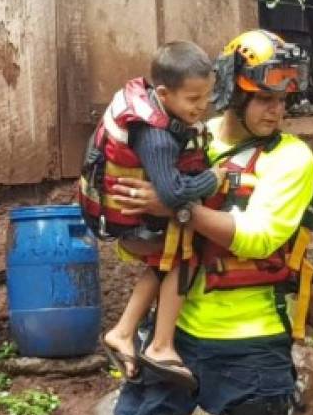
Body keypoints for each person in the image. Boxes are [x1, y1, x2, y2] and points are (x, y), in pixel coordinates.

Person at [108, 30, 313, 415]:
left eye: (284, 100)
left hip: (254, 339)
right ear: (234, 94)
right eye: (264, 98)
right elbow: (140, 231)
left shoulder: (294, 160)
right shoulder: (191, 134)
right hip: (181, 329)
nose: (276, 110)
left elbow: (258, 237)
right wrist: (133, 216)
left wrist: (176, 207)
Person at [77, 41, 225, 391]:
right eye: (193, 100)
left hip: (128, 220)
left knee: (164, 259)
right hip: (133, 226)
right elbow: (172, 193)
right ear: (163, 92)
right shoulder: (156, 137)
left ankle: (123, 332)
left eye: (207, 97)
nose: (202, 107)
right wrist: (211, 179)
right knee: (182, 255)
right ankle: (161, 346)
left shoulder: (149, 103)